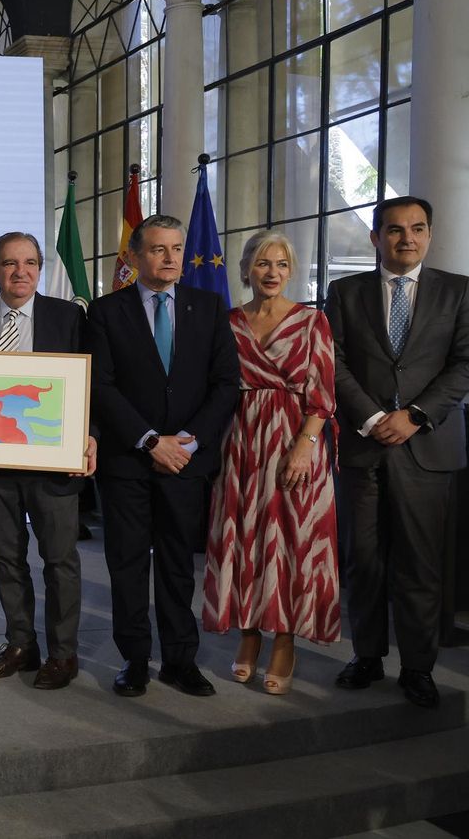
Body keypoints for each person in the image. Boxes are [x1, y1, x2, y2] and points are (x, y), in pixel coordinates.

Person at [87, 213, 240, 698]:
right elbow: (101, 386)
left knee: (177, 563)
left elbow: (225, 384)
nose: (171, 257)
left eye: (176, 248)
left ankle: (180, 659)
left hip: (187, 462)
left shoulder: (210, 306)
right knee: (127, 563)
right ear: (133, 257)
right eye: (158, 249)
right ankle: (133, 659)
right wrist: (152, 441)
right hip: (128, 460)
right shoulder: (106, 311)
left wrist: (187, 441)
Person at [326, 196, 469, 709]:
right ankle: (366, 656)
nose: (406, 239)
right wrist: (370, 417)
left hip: (426, 447)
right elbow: (333, 363)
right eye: (393, 230)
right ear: (375, 238)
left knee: (419, 564)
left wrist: (415, 415)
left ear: (429, 234)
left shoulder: (459, 291)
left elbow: (464, 365)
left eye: (417, 229)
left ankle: (417, 667)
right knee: (363, 561)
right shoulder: (343, 292)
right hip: (363, 447)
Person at [0, 232, 95, 689]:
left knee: (59, 561)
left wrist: (90, 436)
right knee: (6, 558)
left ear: (40, 268)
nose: (21, 272)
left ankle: (63, 654)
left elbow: (93, 385)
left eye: (30, 262)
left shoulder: (68, 317)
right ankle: (21, 644)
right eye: (10, 263)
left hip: (53, 464)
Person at [202, 230, 339, 696]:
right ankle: (248, 633)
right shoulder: (229, 322)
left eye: (281, 264)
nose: (272, 273)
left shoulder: (311, 321)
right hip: (242, 442)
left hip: (296, 441)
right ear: (246, 270)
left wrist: (304, 446)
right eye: (263, 264)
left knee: (292, 544)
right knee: (245, 537)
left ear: (291, 270)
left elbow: (323, 396)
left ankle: (284, 640)